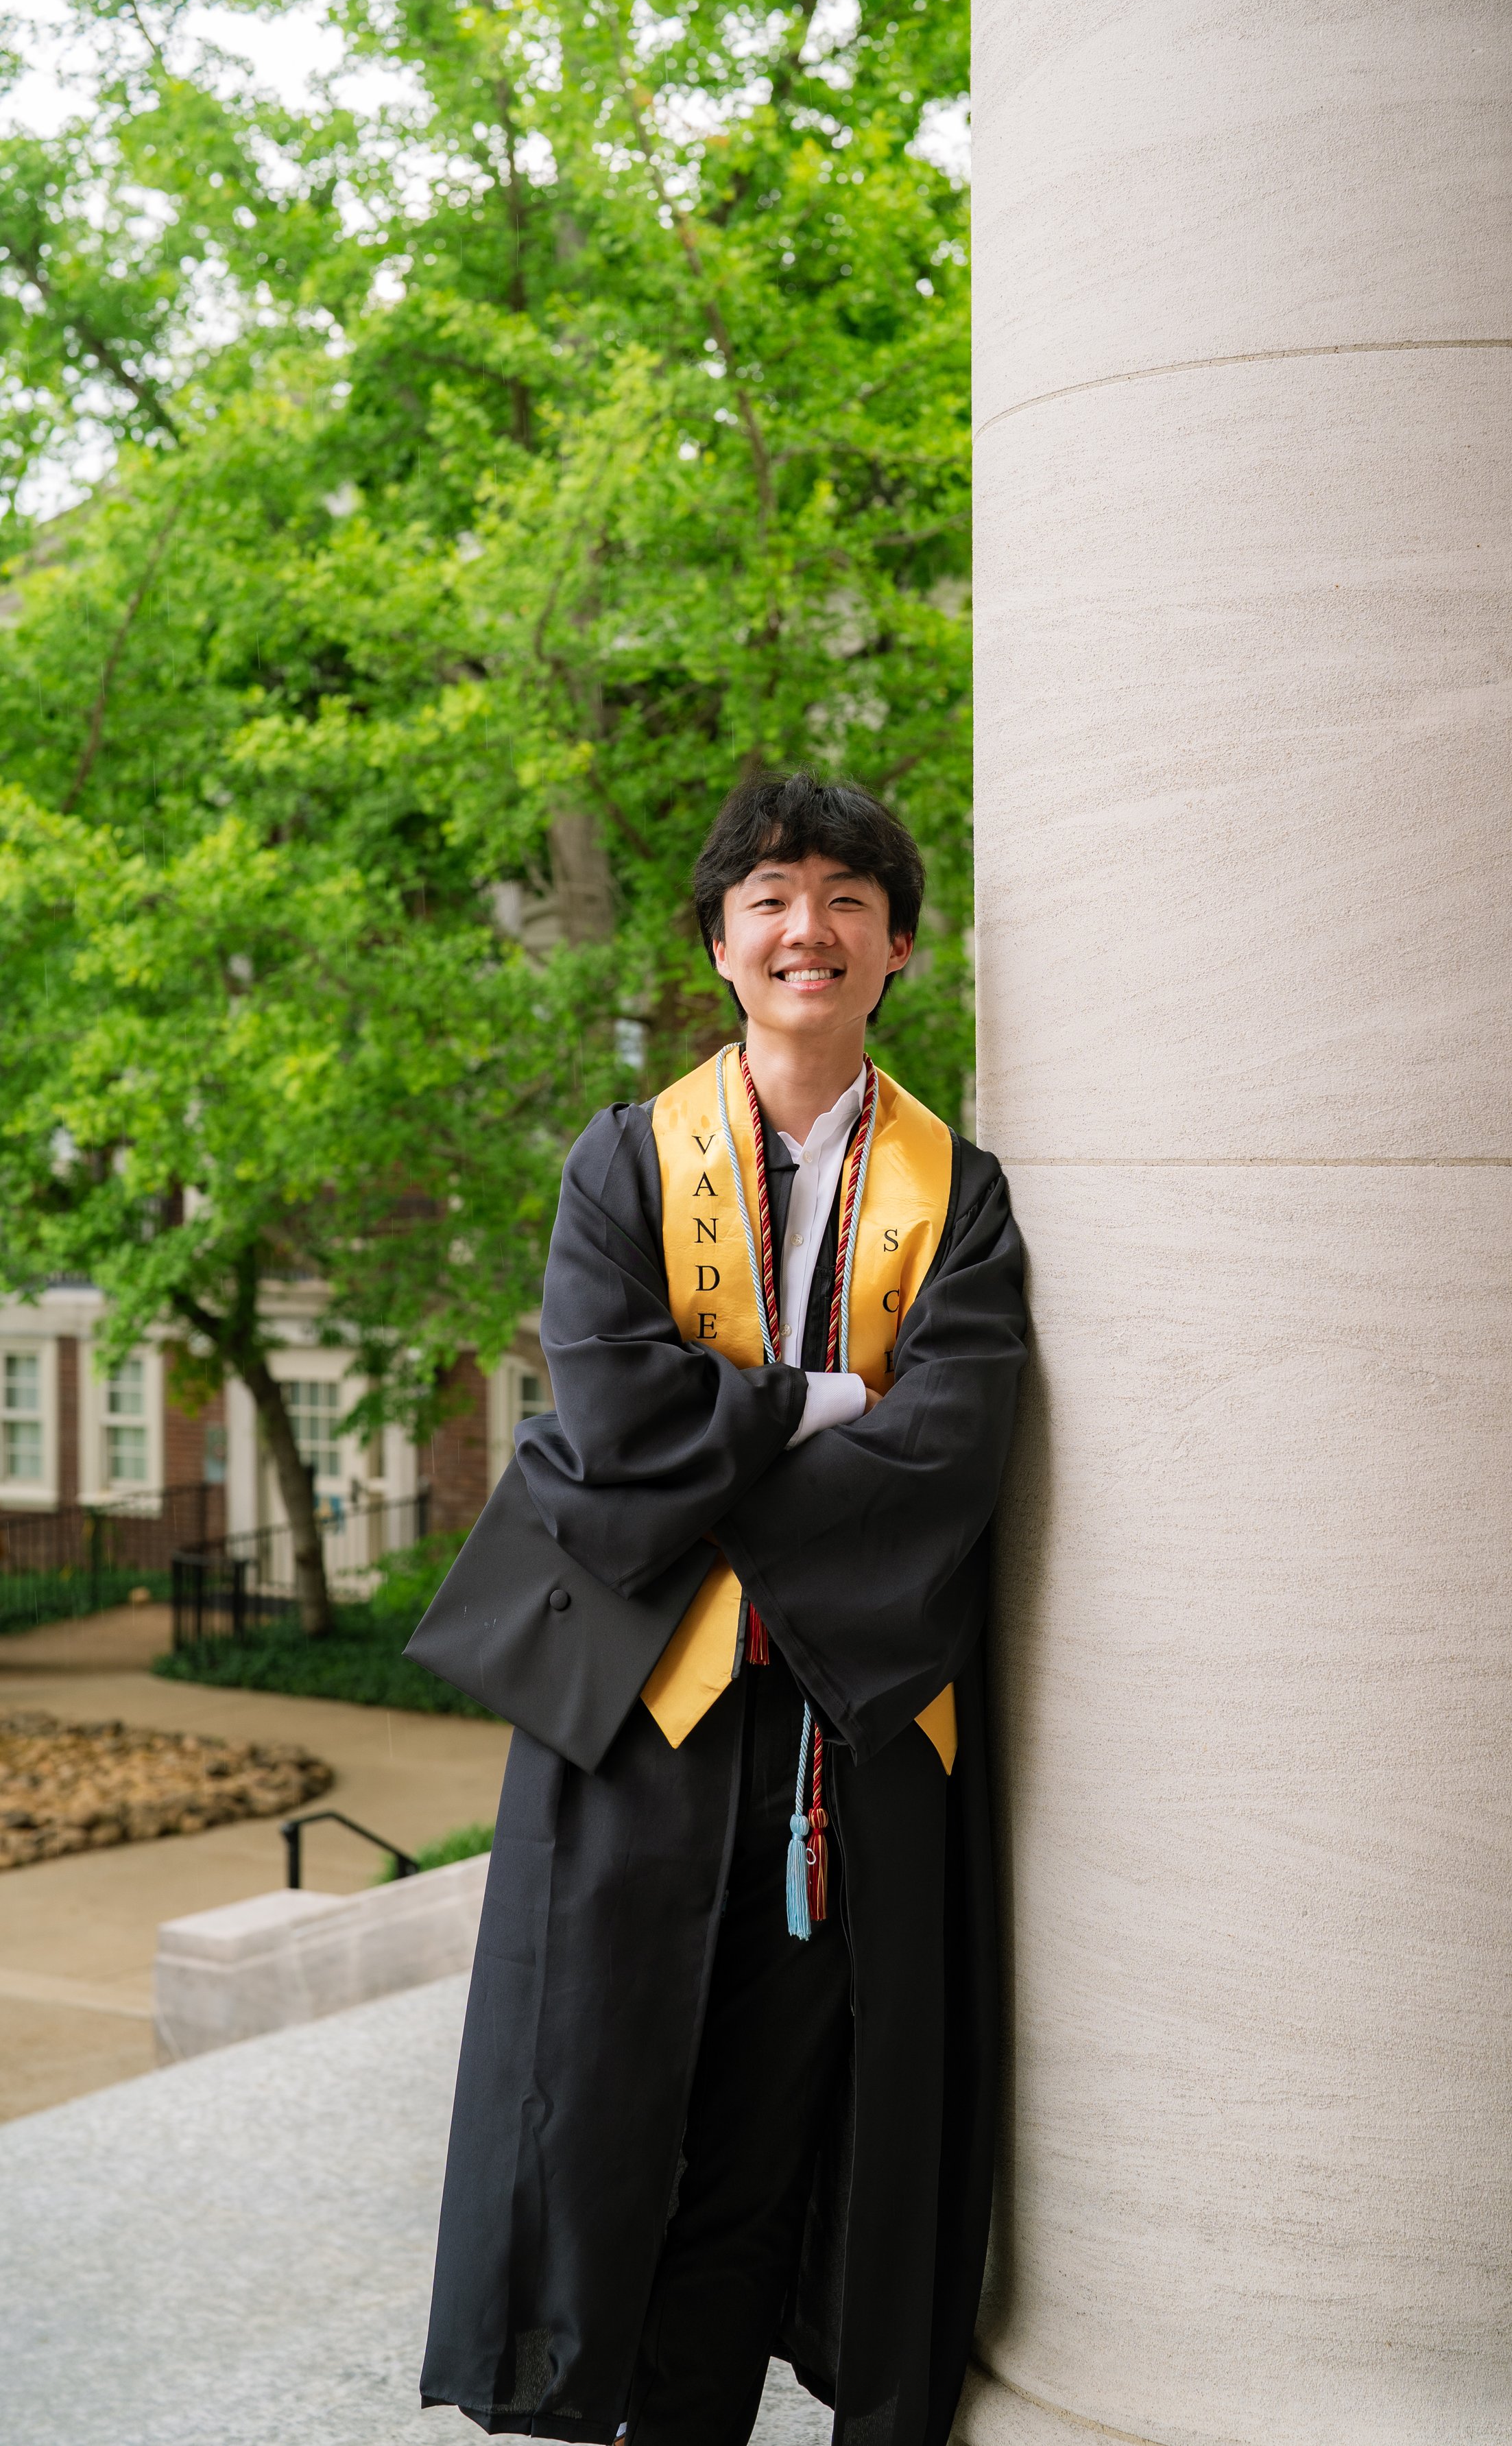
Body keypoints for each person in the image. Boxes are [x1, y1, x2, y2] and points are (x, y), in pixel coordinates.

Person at [409, 770, 1027, 2446]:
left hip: (848, 1732)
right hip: (645, 1727)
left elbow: (949, 1450)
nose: (801, 927)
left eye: (842, 897)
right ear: (717, 946)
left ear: (897, 946)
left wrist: (729, 1425)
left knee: (785, 2120)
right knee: (613, 2115)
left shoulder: (955, 1196)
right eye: (765, 896)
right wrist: (830, 1402)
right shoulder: (625, 1166)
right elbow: (613, 1417)